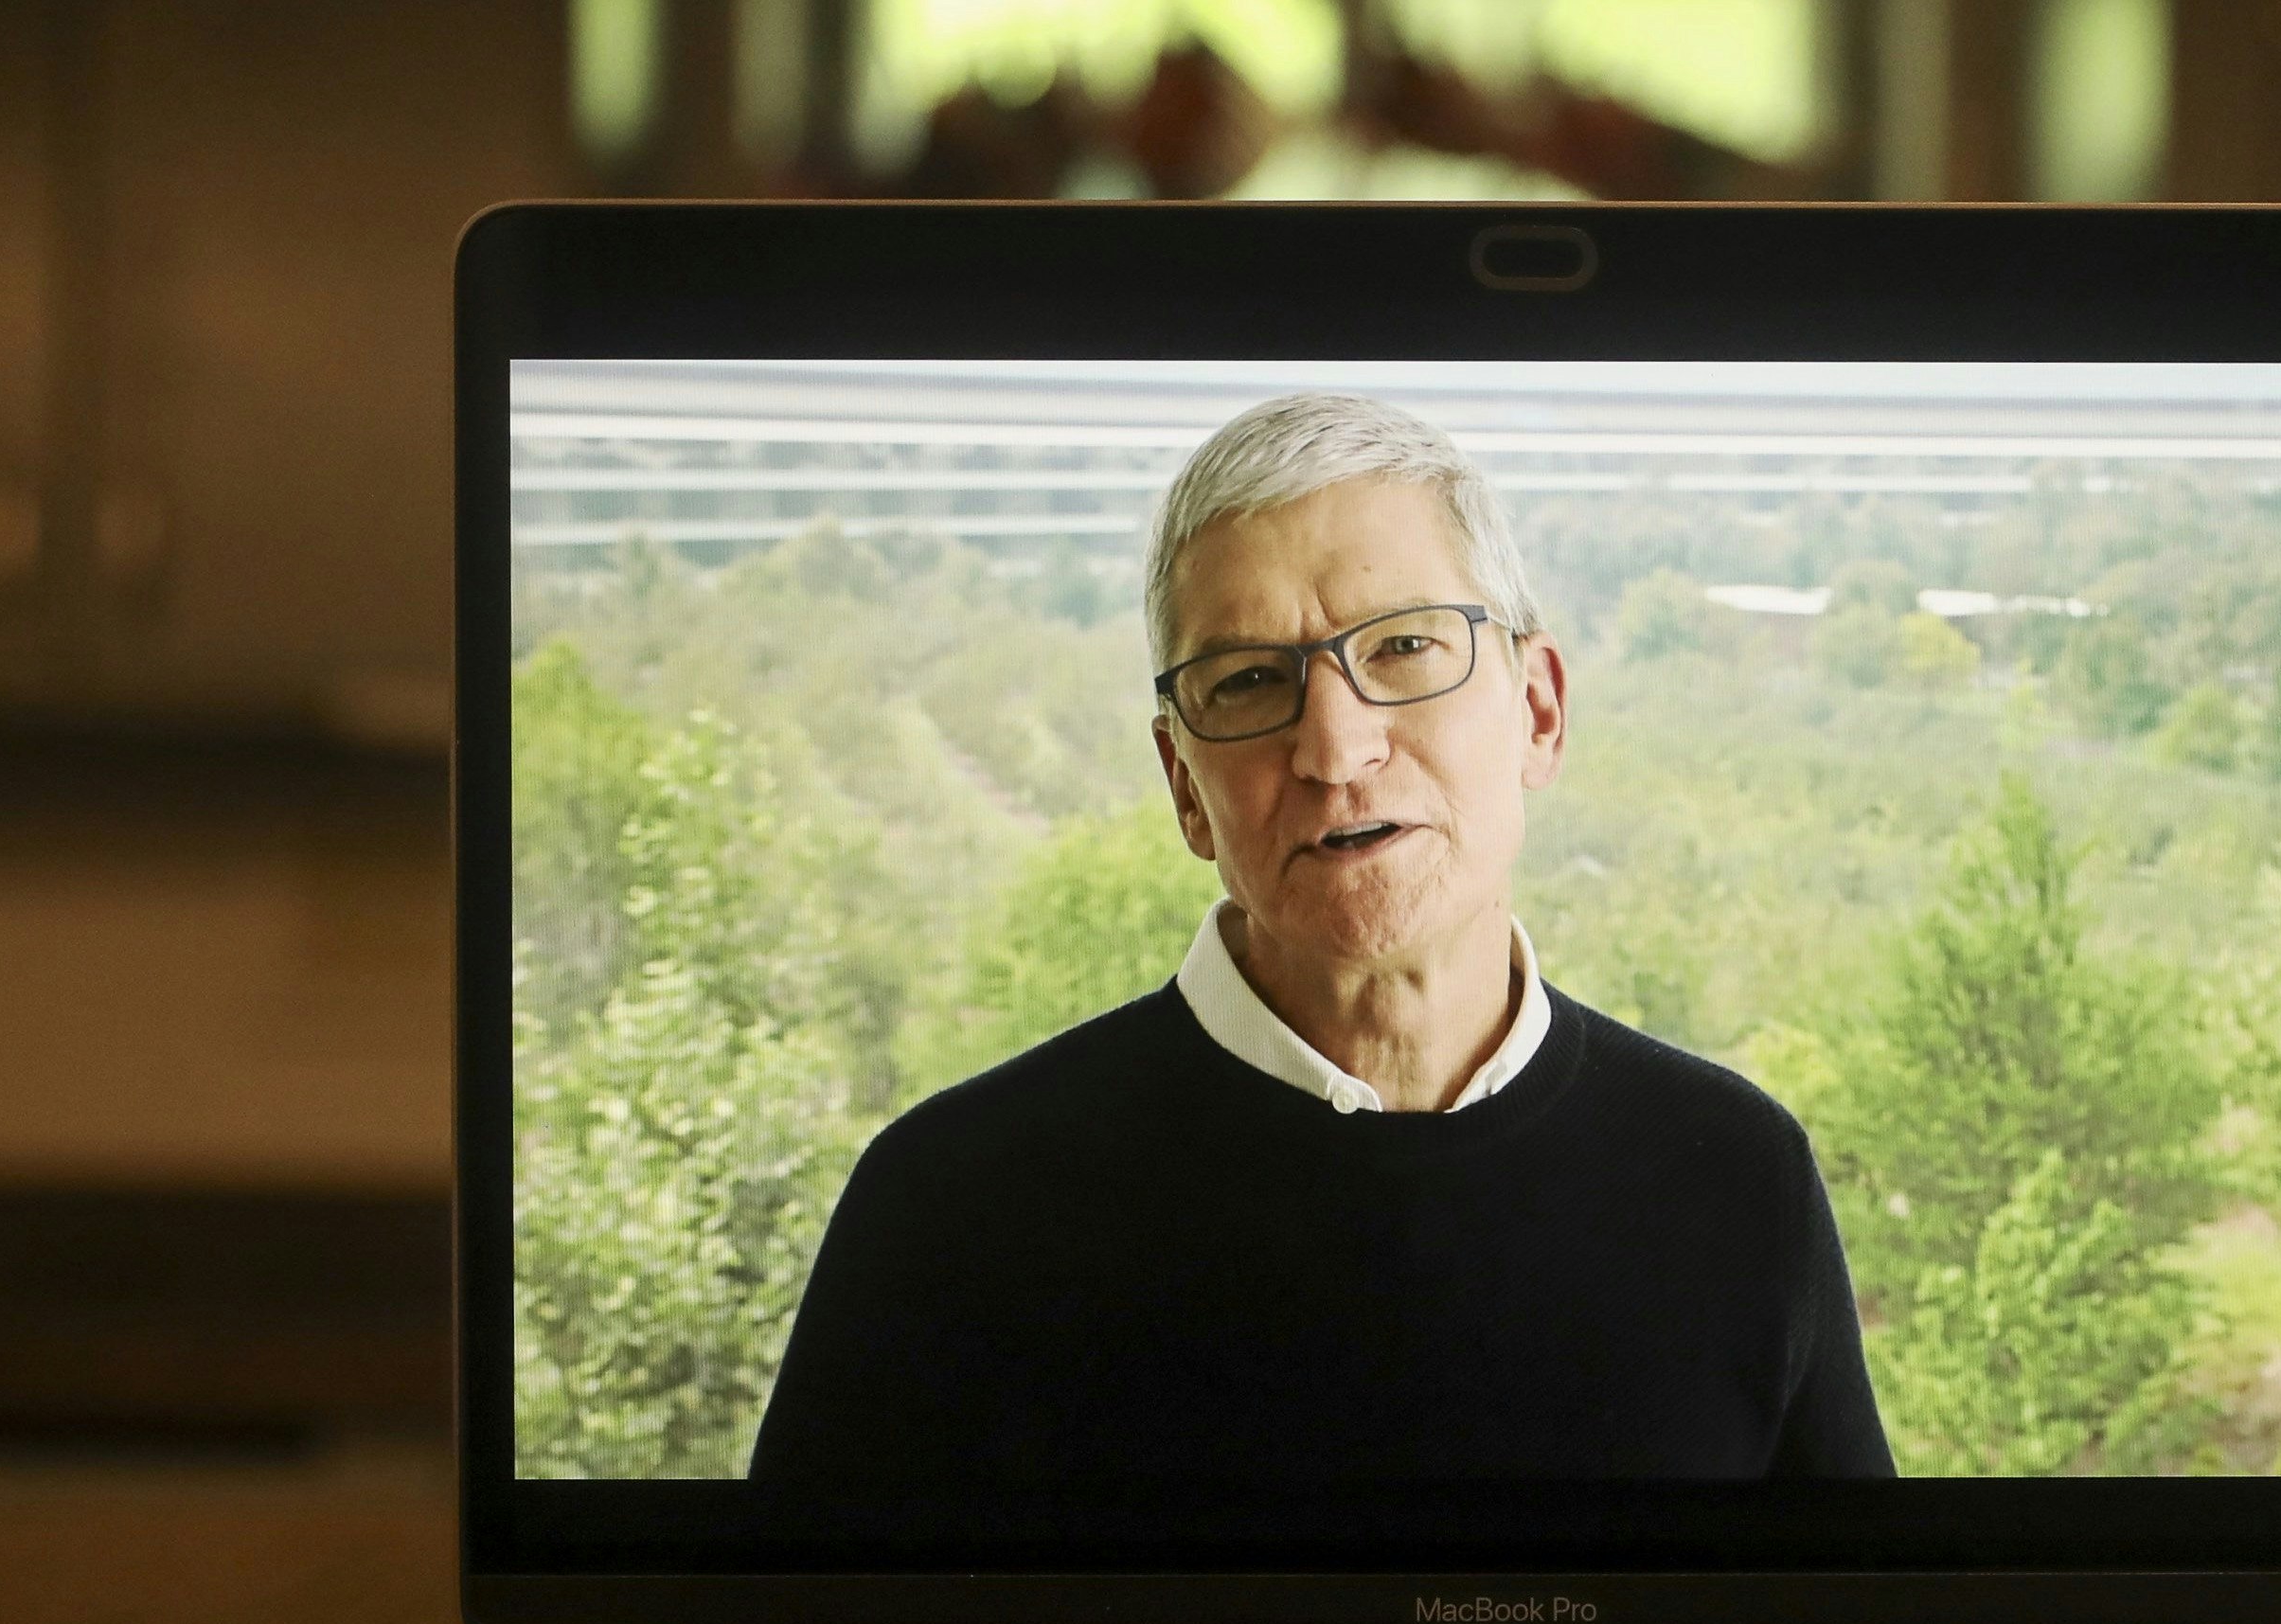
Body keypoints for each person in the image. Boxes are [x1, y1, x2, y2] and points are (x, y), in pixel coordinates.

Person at [751, 394, 1890, 1481]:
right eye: (1249, 680)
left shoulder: (1736, 1180)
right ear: (1184, 788)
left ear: (1537, 709)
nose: (1334, 748)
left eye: (1400, 649)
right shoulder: (947, 1209)